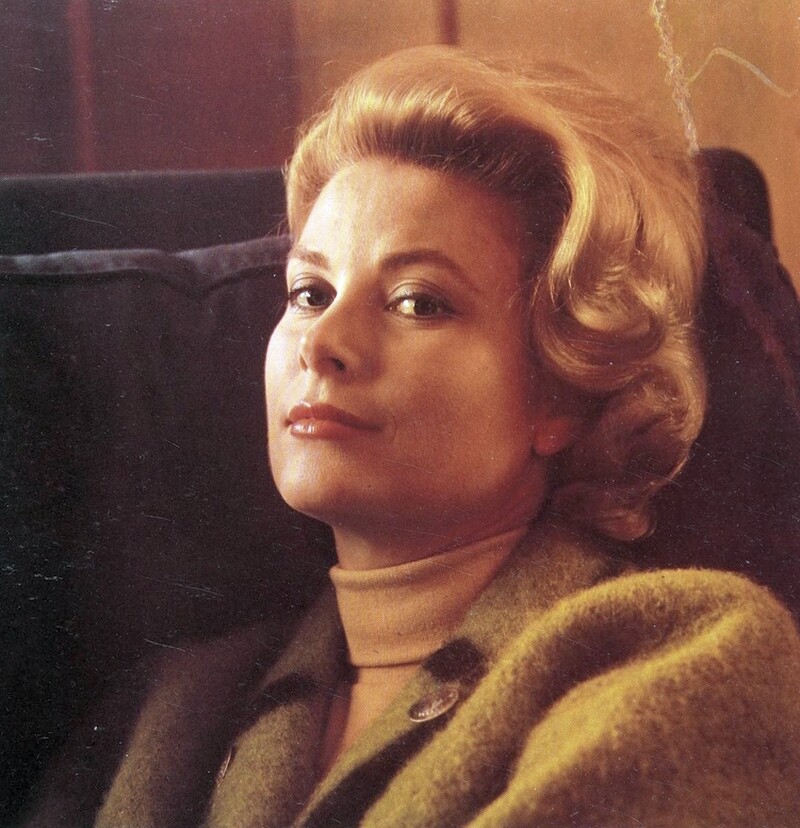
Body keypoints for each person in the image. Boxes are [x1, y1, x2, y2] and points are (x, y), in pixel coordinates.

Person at [26, 46, 800, 827]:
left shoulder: (685, 654)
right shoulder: (170, 710)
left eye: (417, 302)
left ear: (563, 390)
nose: (322, 343)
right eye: (310, 291)